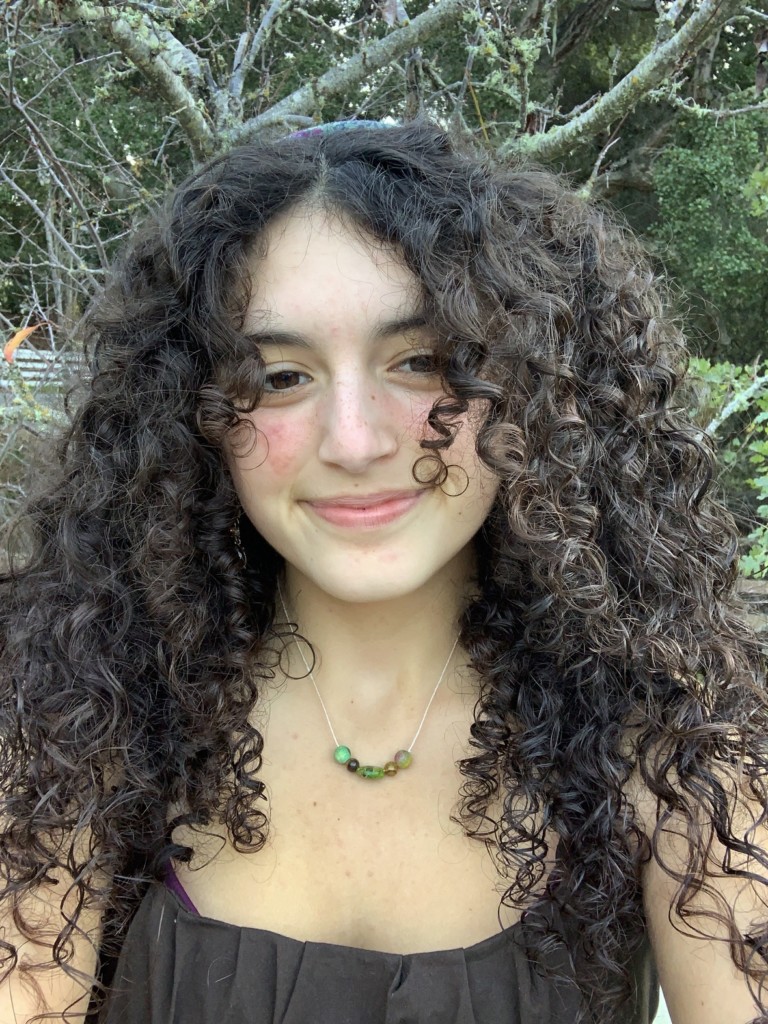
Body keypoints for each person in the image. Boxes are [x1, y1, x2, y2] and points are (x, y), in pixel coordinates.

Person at [0, 116, 766, 1024]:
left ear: (533, 386)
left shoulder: (681, 753)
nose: (354, 441)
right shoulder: (69, 729)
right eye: (279, 376)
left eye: (422, 362)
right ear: (190, 415)